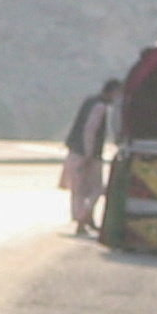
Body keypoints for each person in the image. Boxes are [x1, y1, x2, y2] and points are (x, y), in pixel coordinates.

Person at [63, 76, 119, 237]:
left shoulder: (90, 101)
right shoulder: (101, 107)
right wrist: (89, 153)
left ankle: (87, 219)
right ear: (112, 92)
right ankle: (83, 219)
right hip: (89, 154)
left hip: (75, 150)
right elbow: (90, 130)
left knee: (78, 189)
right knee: (96, 188)